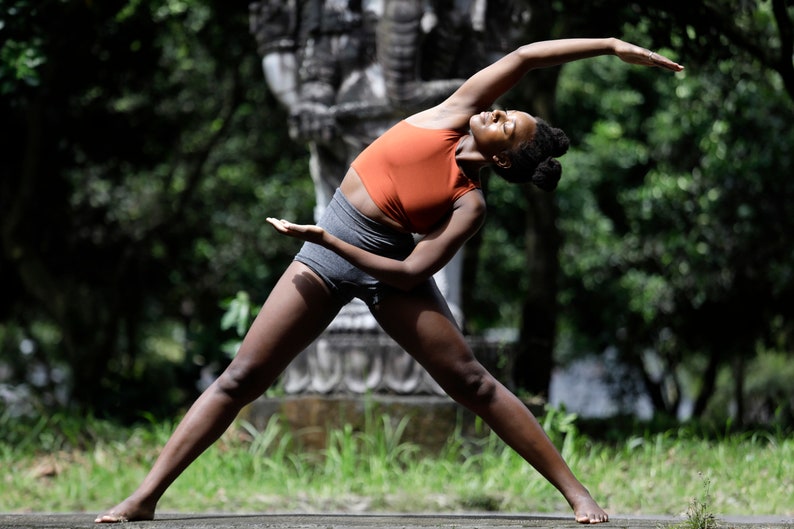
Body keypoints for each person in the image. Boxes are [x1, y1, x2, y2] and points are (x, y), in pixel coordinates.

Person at [96, 37, 683, 525]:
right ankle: (145, 497)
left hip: (379, 268)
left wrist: (327, 241)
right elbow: (527, 56)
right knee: (242, 376)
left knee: (473, 383)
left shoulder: (470, 205)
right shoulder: (454, 112)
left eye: (506, 123)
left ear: (504, 161)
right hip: (328, 253)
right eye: (504, 108)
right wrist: (610, 46)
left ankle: (577, 494)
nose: (496, 112)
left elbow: (408, 272)